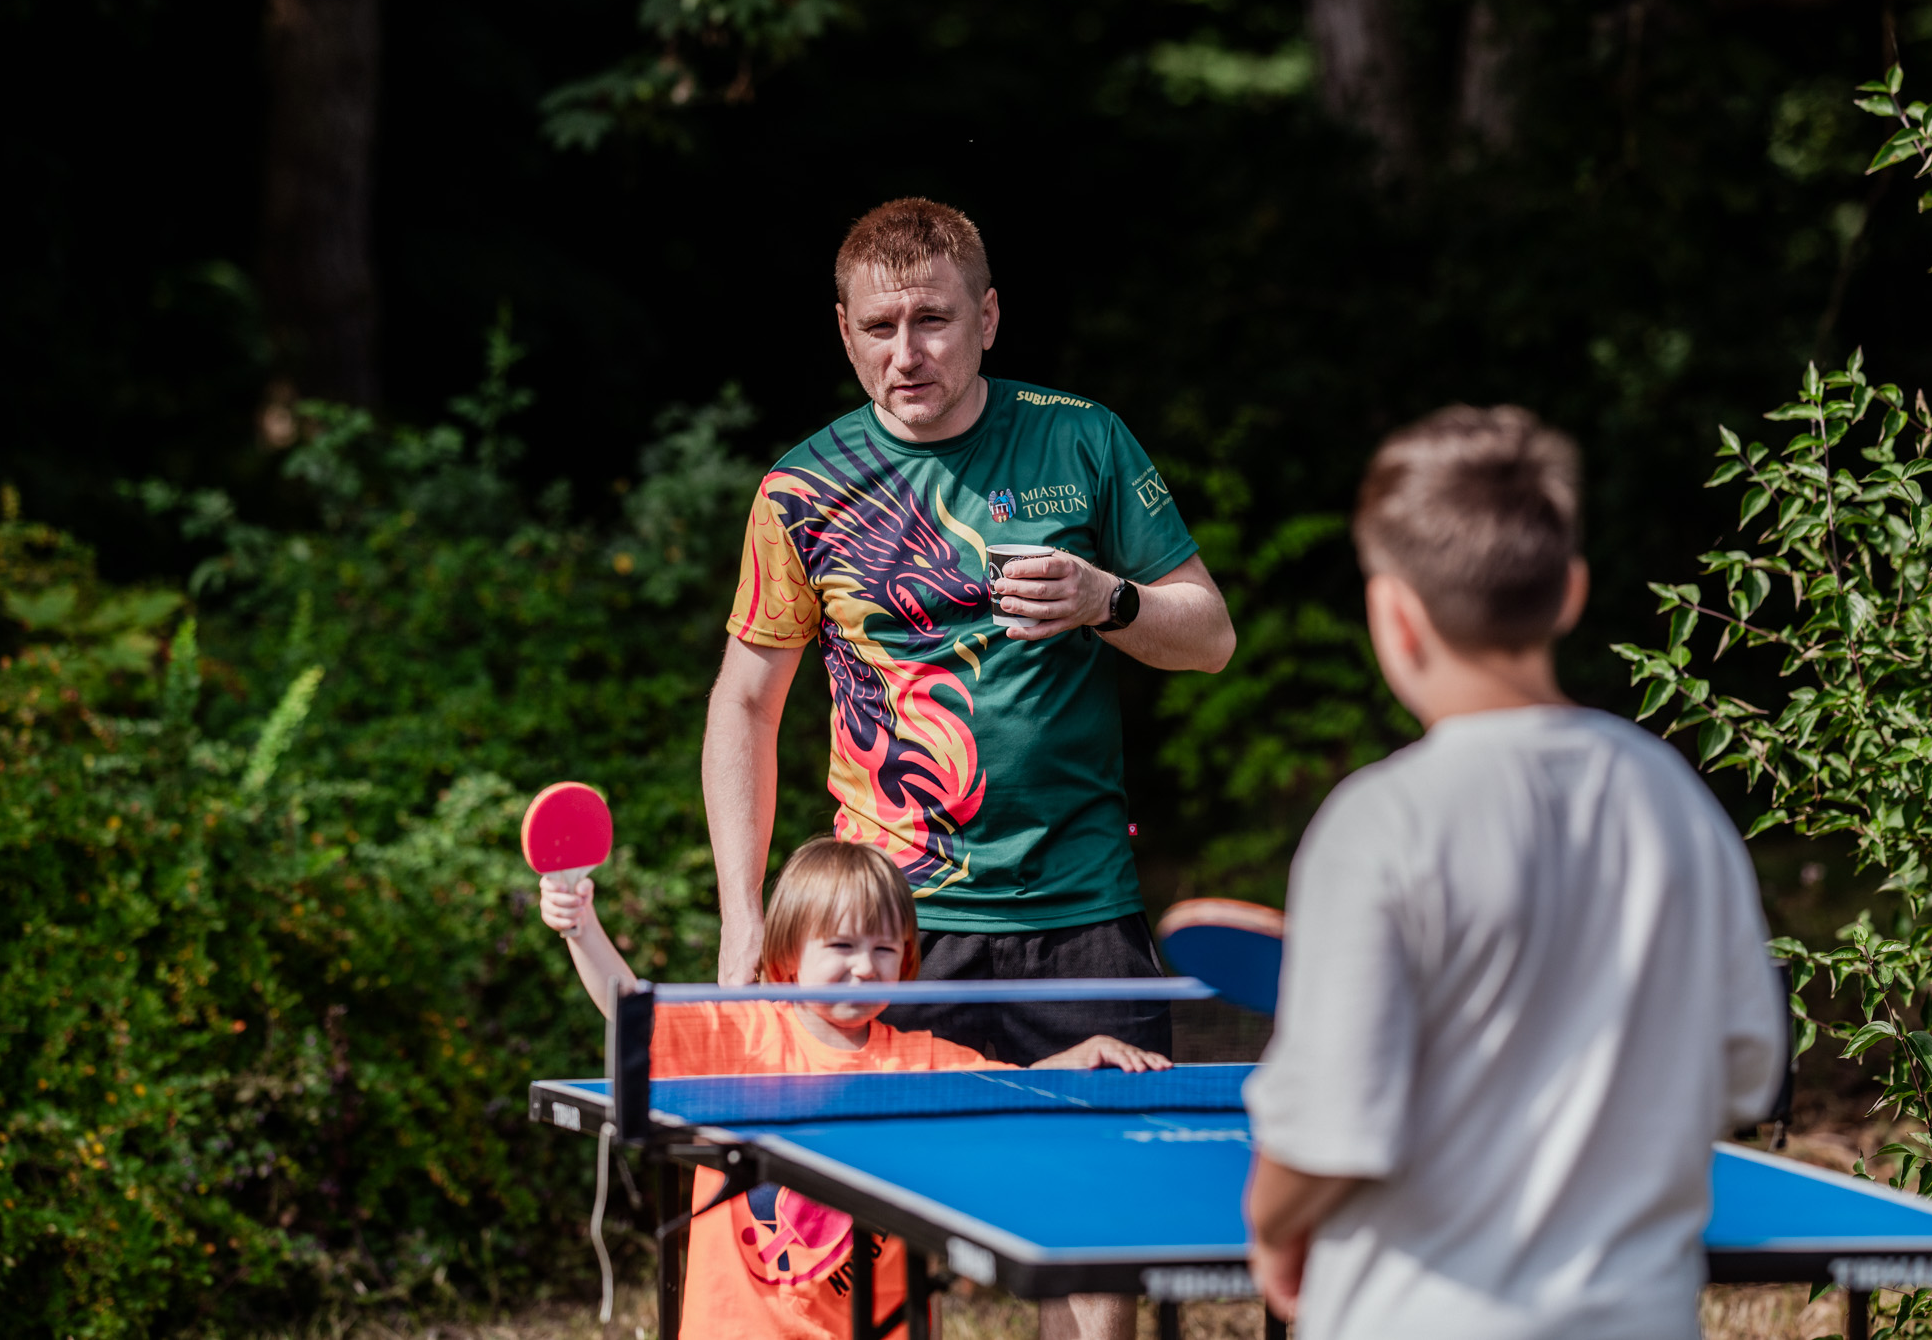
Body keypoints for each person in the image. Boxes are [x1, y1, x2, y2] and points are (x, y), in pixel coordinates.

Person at [703, 195, 1234, 1340]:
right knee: (865, 1254)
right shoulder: (802, 490)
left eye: (934, 320)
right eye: (879, 326)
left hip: (1080, 909)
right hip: (882, 933)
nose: (908, 353)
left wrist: (1109, 598)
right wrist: (741, 916)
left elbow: (1209, 635)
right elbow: (745, 702)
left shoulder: (1082, 438)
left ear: (987, 317)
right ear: (842, 331)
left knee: (1097, 1257)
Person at [1242, 406, 1786, 1340]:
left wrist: (1271, 1222)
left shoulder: (1380, 823)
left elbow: (1325, 1133)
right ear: (1571, 593)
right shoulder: (1677, 802)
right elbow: (1747, 1069)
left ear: (1394, 615)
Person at [538, 836, 1169, 1340]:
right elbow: (630, 1008)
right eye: (841, 946)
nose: (864, 966)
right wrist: (581, 927)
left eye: (884, 949)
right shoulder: (740, 1035)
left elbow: (1010, 1093)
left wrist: (1078, 1056)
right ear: (788, 955)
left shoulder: (921, 1061)